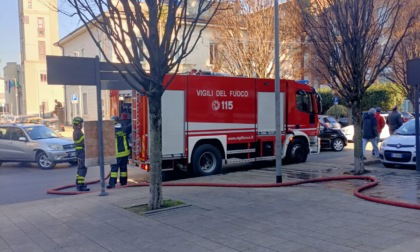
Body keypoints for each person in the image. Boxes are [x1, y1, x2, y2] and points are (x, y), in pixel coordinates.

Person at [107, 116, 131, 189]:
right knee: (123, 168)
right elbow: (130, 127)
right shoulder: (124, 128)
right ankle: (123, 183)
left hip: (117, 154)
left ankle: (112, 184)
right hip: (125, 152)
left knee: (114, 169)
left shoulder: (111, 131)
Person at [73, 117, 90, 191]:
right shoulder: (79, 132)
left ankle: (79, 183)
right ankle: (81, 186)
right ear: (77, 124)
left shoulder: (76, 131)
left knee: (80, 168)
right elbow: (85, 141)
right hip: (81, 153)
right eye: (81, 124)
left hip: (79, 152)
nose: (82, 125)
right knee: (83, 168)